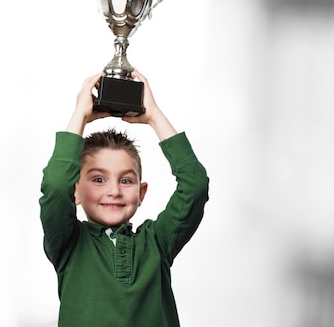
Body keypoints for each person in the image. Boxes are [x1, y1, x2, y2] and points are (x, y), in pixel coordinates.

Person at [40, 69, 209, 326]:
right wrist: (80, 116)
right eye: (98, 179)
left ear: (141, 193)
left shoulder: (158, 242)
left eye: (126, 180)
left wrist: (153, 116)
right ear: (75, 191)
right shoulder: (68, 243)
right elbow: (55, 185)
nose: (114, 191)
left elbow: (195, 185)